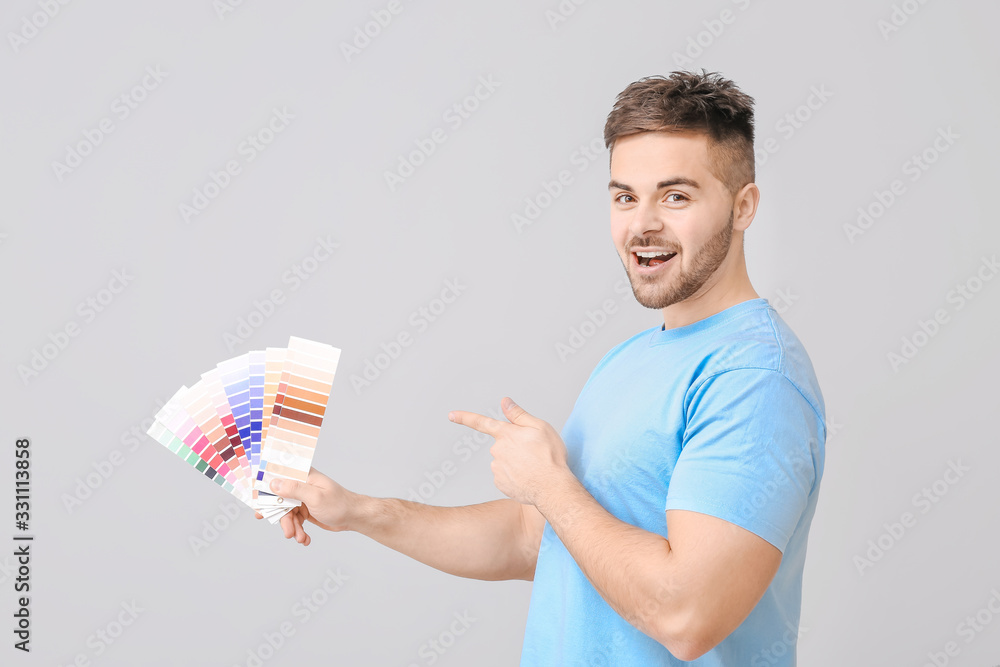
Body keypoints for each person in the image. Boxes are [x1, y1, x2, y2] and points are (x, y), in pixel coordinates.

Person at [258, 70, 826, 665]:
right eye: (624, 196)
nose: (642, 224)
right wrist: (359, 512)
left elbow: (686, 616)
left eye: (676, 196)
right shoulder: (633, 358)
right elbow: (538, 538)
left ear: (744, 207)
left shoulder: (755, 379)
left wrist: (550, 486)